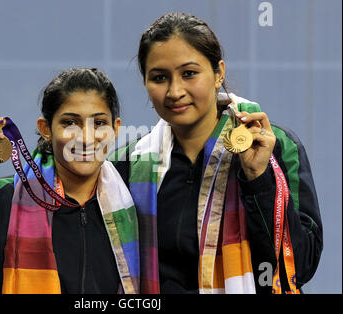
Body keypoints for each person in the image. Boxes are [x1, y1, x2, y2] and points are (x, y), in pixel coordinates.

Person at [111, 12, 323, 294]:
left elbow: (301, 265)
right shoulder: (127, 164)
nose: (174, 91)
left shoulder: (274, 146)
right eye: (160, 77)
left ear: (218, 73)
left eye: (189, 73)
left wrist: (258, 178)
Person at [0, 68, 141, 294]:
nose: (86, 137)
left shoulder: (137, 201)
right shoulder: (0, 201)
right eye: (70, 122)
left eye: (99, 123)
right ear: (46, 129)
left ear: (116, 128)